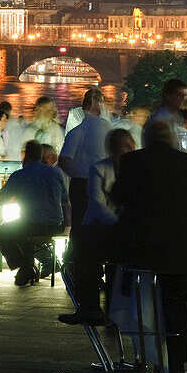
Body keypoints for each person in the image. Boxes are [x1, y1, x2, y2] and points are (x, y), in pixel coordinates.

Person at [111, 120, 187, 373]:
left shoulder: (131, 161)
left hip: (140, 250)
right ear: (172, 139)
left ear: (146, 138)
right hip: (177, 248)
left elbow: (117, 196)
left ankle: (142, 355)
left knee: (138, 293)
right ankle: (177, 365)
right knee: (177, 304)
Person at [60, 127, 135, 326]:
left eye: (130, 146)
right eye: (123, 147)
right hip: (102, 226)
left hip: (117, 230)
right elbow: (97, 203)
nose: (127, 151)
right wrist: (117, 223)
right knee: (86, 245)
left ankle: (94, 307)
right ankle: (91, 307)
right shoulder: (99, 168)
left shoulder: (135, 171)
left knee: (85, 249)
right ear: (112, 150)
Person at [0, 140, 69, 286]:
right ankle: (32, 266)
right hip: (55, 225)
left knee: (1, 233)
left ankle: (25, 266)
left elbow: (3, 198)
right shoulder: (55, 173)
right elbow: (65, 199)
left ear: (26, 155)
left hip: (30, 225)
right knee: (24, 233)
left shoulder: (20, 175)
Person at [57, 88, 111, 235]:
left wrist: (80, 177)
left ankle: (78, 254)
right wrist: (83, 178)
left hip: (84, 186)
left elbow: (64, 159)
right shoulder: (100, 128)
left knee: (82, 226)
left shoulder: (77, 132)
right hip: (92, 187)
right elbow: (63, 159)